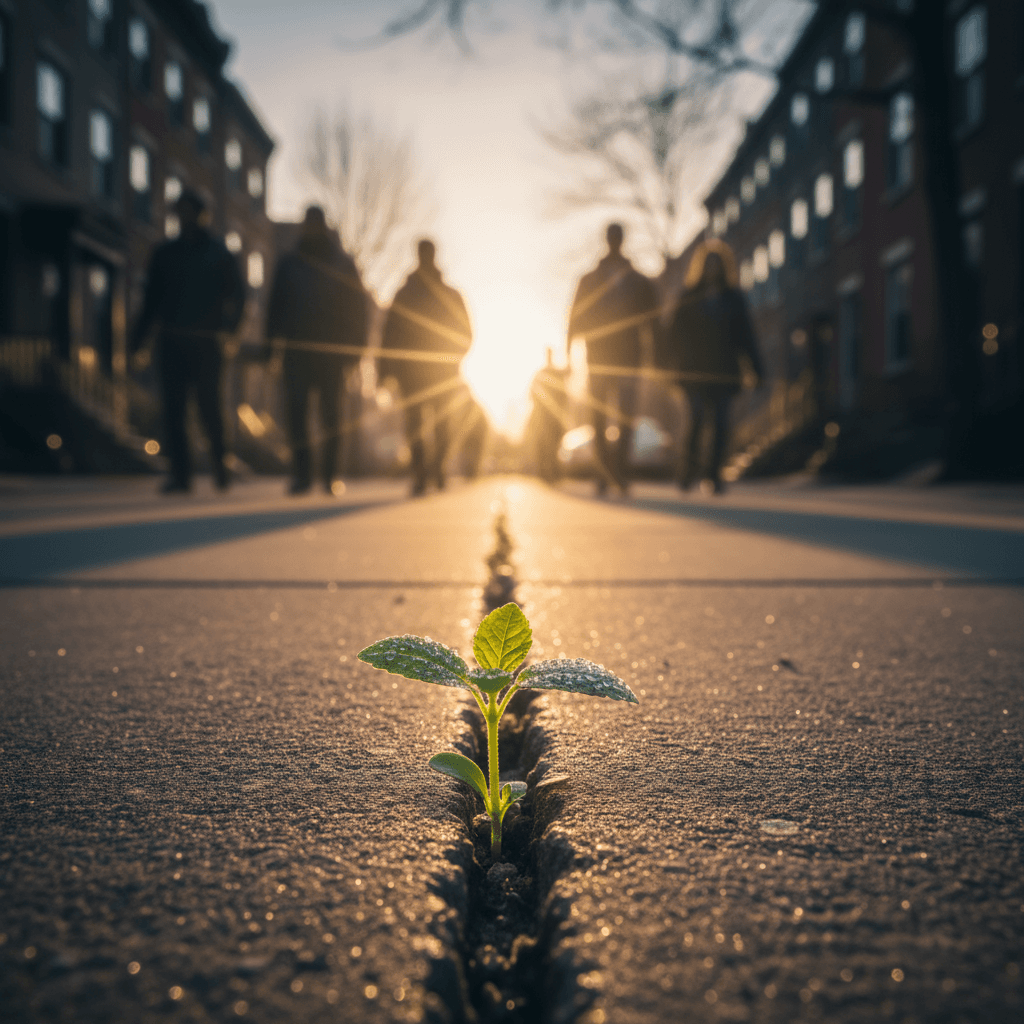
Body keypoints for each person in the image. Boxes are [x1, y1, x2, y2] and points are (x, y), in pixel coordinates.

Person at [131, 189, 244, 493]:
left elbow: (239, 295)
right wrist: (137, 342)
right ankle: (181, 475)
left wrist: (229, 330)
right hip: (170, 342)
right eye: (179, 211)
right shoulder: (164, 254)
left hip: (208, 344)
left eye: (189, 210)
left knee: (210, 407)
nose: (184, 217)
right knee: (174, 411)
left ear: (201, 214)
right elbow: (151, 301)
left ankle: (221, 466)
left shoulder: (219, 254)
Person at [264, 206, 369, 495]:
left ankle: (330, 475)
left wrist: (356, 350)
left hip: (332, 353)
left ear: (323, 226)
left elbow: (358, 309)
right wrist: (269, 348)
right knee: (296, 411)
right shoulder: (289, 263)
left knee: (331, 415)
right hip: (296, 349)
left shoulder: (343, 264)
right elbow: (274, 308)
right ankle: (302, 474)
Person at [664, 239, 763, 494]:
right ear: (701, 267)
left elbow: (746, 337)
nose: (712, 269)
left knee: (720, 423)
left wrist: (756, 369)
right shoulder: (688, 297)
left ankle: (714, 476)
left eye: (717, 264)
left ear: (723, 267)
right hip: (693, 373)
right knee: (696, 420)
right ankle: (688, 473)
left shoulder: (734, 300)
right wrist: (669, 368)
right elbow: (673, 336)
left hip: (723, 372)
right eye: (708, 264)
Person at [568, 223, 660, 495]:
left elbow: (652, 319)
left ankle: (619, 470)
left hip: (629, 357)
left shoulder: (638, 281)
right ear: (607, 240)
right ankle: (603, 472)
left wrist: (656, 355)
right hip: (598, 356)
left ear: (622, 240)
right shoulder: (590, 279)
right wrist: (568, 353)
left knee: (626, 416)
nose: (615, 241)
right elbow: (575, 316)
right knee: (597, 415)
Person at [381, 239, 471, 496]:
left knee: (438, 422)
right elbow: (390, 334)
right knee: (418, 423)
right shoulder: (406, 294)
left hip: (440, 371)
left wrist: (454, 357)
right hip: (415, 371)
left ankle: (436, 468)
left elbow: (466, 332)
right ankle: (423, 471)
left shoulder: (444, 294)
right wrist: (386, 368)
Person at [528, 348, 569, 483]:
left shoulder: (556, 373)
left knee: (553, 443)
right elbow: (532, 394)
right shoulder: (541, 373)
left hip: (554, 415)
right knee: (546, 444)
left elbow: (563, 392)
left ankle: (552, 471)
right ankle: (547, 471)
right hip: (545, 416)